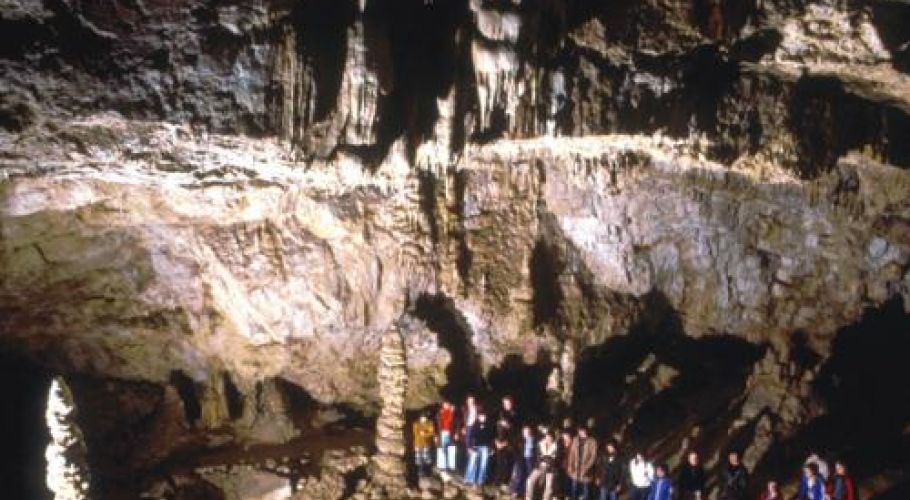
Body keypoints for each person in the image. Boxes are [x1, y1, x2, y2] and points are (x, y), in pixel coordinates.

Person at [566, 426, 598, 500]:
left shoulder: (592, 441)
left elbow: (593, 456)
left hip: (586, 468)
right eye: (580, 431)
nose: (582, 433)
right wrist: (570, 465)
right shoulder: (575, 439)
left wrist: (586, 467)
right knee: (574, 487)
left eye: (583, 431)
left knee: (585, 488)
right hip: (576, 467)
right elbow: (572, 453)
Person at [526, 431, 558, 500]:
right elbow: (538, 456)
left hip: (551, 468)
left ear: (553, 438)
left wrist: (546, 459)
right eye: (547, 437)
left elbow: (555, 459)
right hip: (539, 466)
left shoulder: (556, 446)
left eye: (550, 438)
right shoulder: (540, 444)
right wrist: (545, 459)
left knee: (549, 486)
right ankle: (528, 497)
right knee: (529, 480)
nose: (548, 439)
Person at [466, 412, 494, 486]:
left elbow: (491, 438)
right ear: (478, 417)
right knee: (472, 463)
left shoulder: (489, 426)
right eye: (481, 416)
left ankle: (480, 481)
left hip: (485, 447)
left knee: (483, 464)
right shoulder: (474, 425)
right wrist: (469, 447)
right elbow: (470, 436)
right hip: (475, 446)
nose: (482, 418)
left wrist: (491, 448)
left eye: (484, 416)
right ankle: (469, 479)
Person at [510, 425, 536, 498]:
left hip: (530, 459)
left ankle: (525, 492)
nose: (526, 433)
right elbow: (514, 448)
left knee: (529, 476)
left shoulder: (533, 440)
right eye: (525, 431)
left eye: (528, 431)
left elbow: (535, 451)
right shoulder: (519, 439)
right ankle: (515, 491)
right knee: (519, 475)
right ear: (522, 432)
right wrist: (517, 457)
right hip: (520, 459)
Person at [492, 416, 516, 491]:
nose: (505, 422)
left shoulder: (510, 428)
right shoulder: (498, 426)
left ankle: (504, 482)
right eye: (503, 421)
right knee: (499, 464)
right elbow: (493, 435)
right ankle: (497, 482)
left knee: (506, 465)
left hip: (507, 448)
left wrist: (504, 444)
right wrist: (496, 443)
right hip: (498, 446)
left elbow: (511, 437)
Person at [436, 399, 459, 474]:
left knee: (451, 449)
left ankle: (451, 466)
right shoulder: (440, 412)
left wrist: (456, 433)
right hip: (442, 432)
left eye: (447, 404)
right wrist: (436, 435)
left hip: (451, 432)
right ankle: (443, 466)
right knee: (442, 449)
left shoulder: (453, 412)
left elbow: (456, 422)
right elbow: (438, 423)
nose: (446, 405)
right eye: (444, 404)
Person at [412, 413, 436, 478]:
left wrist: (424, 433)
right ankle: (420, 471)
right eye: (422, 418)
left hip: (426, 443)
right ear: (420, 418)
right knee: (418, 458)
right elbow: (416, 433)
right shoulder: (416, 424)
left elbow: (431, 432)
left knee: (427, 457)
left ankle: (428, 471)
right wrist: (424, 432)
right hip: (418, 443)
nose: (423, 419)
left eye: (425, 418)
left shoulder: (429, 423)